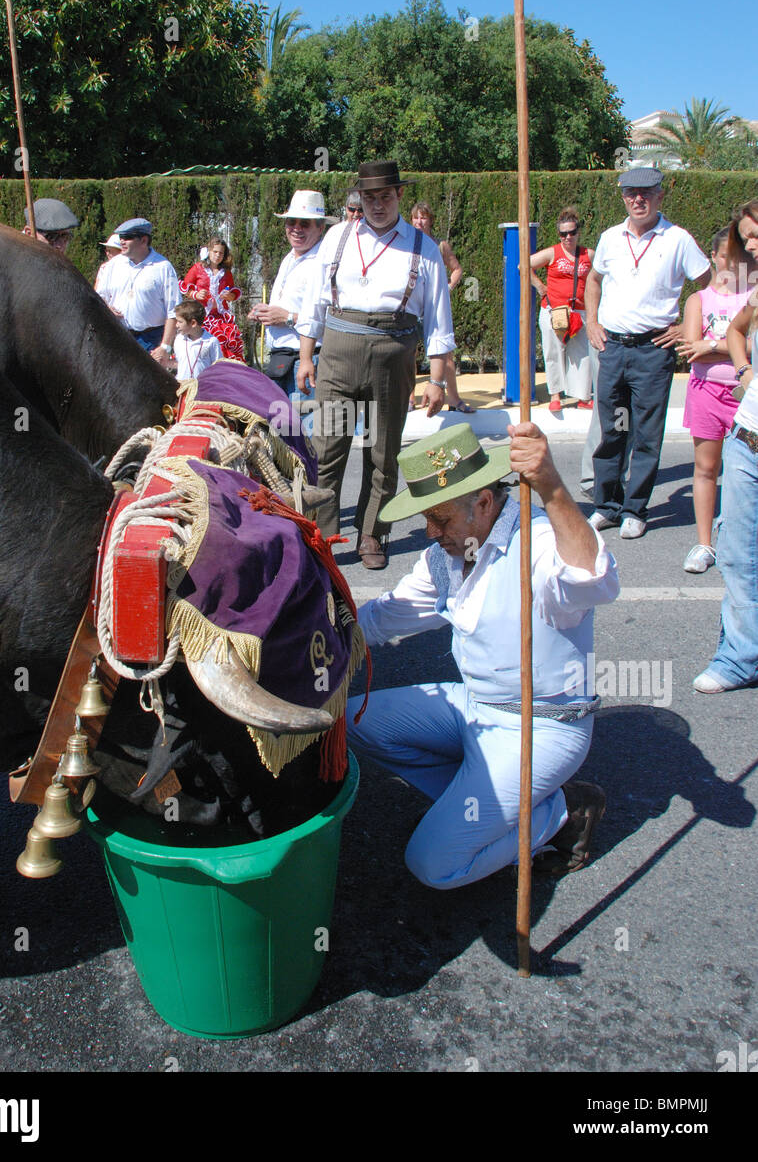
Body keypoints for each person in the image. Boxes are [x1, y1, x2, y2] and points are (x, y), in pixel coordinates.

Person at [347, 419, 619, 887]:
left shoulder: (538, 541)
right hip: (473, 707)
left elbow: (594, 580)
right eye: (426, 518)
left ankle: (560, 813)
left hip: (542, 726)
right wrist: (314, 635)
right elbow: (383, 617)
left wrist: (552, 486)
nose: (431, 532)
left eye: (440, 519)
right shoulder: (444, 556)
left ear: (485, 502)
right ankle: (485, 803)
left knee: (433, 865)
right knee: (352, 721)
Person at [296, 159, 455, 569]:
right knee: (327, 449)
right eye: (369, 197)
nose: (377, 204)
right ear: (359, 198)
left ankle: (373, 535)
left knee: (383, 454)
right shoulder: (336, 238)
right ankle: (323, 536)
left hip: (394, 356)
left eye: (385, 196)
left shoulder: (424, 247)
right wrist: (305, 355)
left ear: (400, 195)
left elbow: (439, 318)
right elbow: (315, 300)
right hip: (337, 354)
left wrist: (437, 380)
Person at [584, 168, 710, 539]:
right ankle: (606, 506)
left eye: (646, 192)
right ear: (623, 197)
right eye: (631, 193)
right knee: (612, 430)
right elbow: (594, 279)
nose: (638, 199)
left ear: (660, 195)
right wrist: (591, 321)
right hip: (613, 348)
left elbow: (708, 285)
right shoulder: (610, 237)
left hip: (654, 351)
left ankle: (635, 509)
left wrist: (687, 329)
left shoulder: (678, 240)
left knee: (646, 435)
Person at [693, 200, 758, 693]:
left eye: (757, 236)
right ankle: (738, 658)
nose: (751, 246)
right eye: (746, 237)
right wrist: (743, 371)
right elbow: (737, 330)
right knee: (737, 555)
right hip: (747, 440)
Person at [676, 230, 752, 572]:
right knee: (706, 469)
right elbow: (692, 348)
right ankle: (705, 544)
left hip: (745, 396)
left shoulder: (751, 297)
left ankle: (740, 541)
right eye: (724, 256)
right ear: (712, 257)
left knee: (744, 473)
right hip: (706, 392)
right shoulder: (699, 300)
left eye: (736, 256)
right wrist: (721, 346)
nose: (730, 263)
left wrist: (711, 345)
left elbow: (751, 347)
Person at [247, 189, 332, 400]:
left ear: (320, 228)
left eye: (304, 224)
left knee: (303, 428)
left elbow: (331, 319)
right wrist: (265, 312)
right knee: (282, 428)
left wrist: (287, 318)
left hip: (307, 361)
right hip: (282, 360)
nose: (296, 229)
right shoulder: (290, 257)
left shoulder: (324, 263)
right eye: (291, 222)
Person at [410, 201, 474, 415]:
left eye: (423, 217)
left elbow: (456, 269)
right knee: (408, 353)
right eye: (415, 218)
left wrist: (447, 288)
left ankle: (454, 399)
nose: (419, 222)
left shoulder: (440, 246)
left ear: (430, 220)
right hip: (412, 308)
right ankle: (409, 400)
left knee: (446, 355)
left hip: (434, 310)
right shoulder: (404, 244)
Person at [529, 207, 594, 413]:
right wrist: (540, 286)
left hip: (580, 312)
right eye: (563, 234)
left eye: (572, 232)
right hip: (554, 312)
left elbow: (601, 277)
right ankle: (555, 394)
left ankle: (582, 395)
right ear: (559, 235)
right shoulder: (552, 253)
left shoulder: (589, 254)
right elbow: (524, 265)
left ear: (578, 232)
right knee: (553, 351)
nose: (568, 237)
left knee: (581, 354)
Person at [94, 217, 180, 367]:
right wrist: (107, 308)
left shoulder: (163, 267)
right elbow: (99, 296)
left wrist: (165, 347)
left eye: (127, 238)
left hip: (150, 339)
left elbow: (173, 310)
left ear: (143, 240)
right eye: (121, 238)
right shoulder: (114, 265)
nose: (122, 242)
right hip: (117, 335)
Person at [181, 238, 244, 361]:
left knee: (225, 344)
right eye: (215, 252)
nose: (218, 255)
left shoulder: (226, 273)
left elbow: (232, 295)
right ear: (208, 251)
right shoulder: (197, 268)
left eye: (221, 253)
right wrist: (195, 294)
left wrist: (228, 296)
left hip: (221, 318)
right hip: (201, 317)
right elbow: (185, 288)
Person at [170, 297, 223, 380]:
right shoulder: (179, 339)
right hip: (182, 387)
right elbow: (181, 364)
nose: (176, 325)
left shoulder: (211, 341)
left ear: (193, 323)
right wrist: (165, 363)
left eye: (180, 322)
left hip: (203, 388)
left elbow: (218, 368)